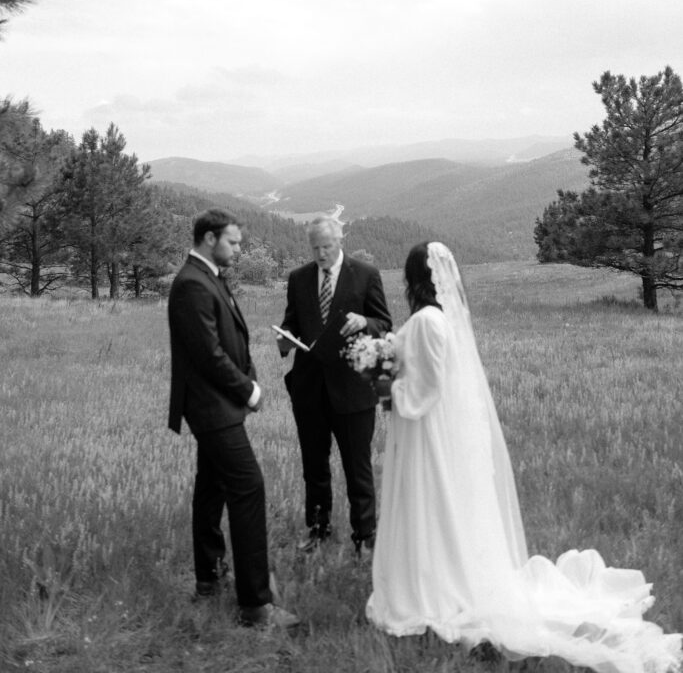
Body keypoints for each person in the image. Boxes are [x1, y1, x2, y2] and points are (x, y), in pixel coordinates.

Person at [367, 241, 681, 672]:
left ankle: (431, 590)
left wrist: (388, 387)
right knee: (442, 509)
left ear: (413, 278)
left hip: (427, 436)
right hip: (438, 432)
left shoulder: (425, 321)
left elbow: (426, 389)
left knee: (428, 506)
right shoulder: (443, 319)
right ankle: (448, 578)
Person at [168, 208, 299, 630]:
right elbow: (209, 354)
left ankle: (209, 578)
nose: (239, 250)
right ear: (210, 238)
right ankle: (256, 605)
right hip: (211, 407)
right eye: (233, 242)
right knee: (248, 486)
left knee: (211, 489)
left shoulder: (208, 277)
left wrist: (250, 376)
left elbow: (232, 337)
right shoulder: (192, 284)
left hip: (216, 405)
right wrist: (249, 390)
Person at [278, 215, 392, 553]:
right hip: (309, 390)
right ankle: (318, 530)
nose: (321, 254)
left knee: (357, 468)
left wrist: (365, 321)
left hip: (353, 390)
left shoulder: (365, 274)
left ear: (340, 240)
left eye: (326, 246)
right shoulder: (299, 278)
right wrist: (285, 339)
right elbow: (292, 322)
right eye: (314, 248)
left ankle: (365, 537)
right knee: (314, 467)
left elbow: (384, 323)